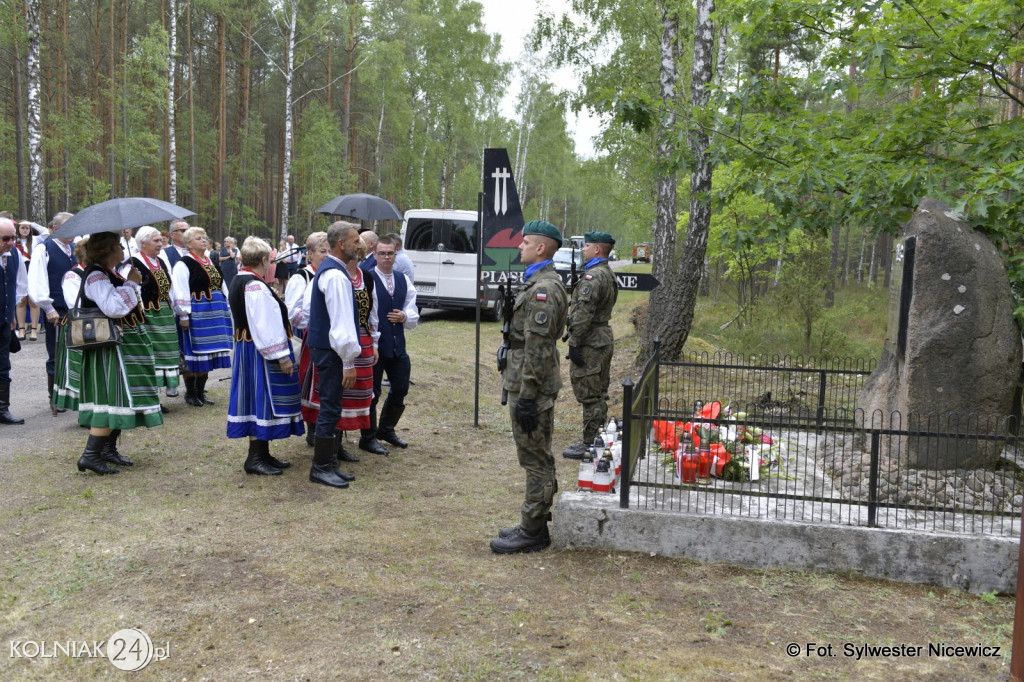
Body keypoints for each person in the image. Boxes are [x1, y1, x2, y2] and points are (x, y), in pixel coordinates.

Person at [490, 220, 568, 554]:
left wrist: (529, 394)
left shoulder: (544, 288)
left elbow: (538, 345)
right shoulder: (537, 282)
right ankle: (534, 522)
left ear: (541, 248)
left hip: (530, 383)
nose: (518, 247)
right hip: (524, 378)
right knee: (536, 454)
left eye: (524, 243)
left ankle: (533, 529)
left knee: (534, 456)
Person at [73, 232, 162, 475]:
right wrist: (131, 284)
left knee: (119, 397)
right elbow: (113, 308)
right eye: (118, 246)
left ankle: (107, 450)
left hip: (121, 344)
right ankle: (90, 455)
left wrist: (128, 282)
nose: (123, 249)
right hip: (109, 346)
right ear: (107, 250)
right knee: (110, 397)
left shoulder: (108, 272)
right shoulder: (96, 275)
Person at [227, 236, 304, 475]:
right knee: (260, 400)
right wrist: (282, 356)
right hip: (259, 352)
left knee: (258, 401)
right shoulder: (254, 286)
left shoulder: (241, 279)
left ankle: (263, 453)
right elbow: (264, 325)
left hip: (250, 348)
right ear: (263, 260)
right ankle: (255, 457)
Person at [305, 221, 363, 488]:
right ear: (342, 244)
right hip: (332, 352)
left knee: (332, 405)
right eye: (355, 240)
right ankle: (321, 467)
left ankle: (328, 464)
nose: (359, 245)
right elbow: (341, 324)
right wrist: (348, 361)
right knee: (329, 407)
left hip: (327, 350)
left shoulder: (331, 271)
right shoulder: (336, 276)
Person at [562, 231, 620, 459]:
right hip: (602, 337)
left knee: (590, 392)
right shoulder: (607, 273)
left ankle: (590, 443)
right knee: (598, 390)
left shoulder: (593, 277)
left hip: (591, 341)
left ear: (597, 249)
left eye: (587, 246)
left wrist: (574, 342)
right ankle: (597, 435)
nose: (584, 249)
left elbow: (583, 313)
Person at [366, 234, 418, 450]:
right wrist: (373, 343)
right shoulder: (367, 278)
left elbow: (412, 306)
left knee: (401, 387)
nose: (386, 257)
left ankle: (386, 429)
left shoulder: (402, 278)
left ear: (396, 254)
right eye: (382, 253)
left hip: (397, 344)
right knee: (373, 393)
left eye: (390, 253)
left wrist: (405, 316)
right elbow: (369, 314)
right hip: (375, 346)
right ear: (375, 255)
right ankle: (367, 437)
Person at [170, 226, 233, 407]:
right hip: (198, 312)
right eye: (198, 238)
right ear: (189, 244)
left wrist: (227, 303)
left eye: (204, 237)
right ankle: (190, 393)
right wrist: (183, 314)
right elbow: (179, 289)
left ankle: (200, 392)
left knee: (209, 353)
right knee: (194, 351)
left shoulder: (209, 261)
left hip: (215, 312)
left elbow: (221, 284)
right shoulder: (184, 263)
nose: (203, 240)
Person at [27, 211, 75, 415]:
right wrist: (48, 308)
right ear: (55, 229)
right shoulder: (43, 249)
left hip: (75, 308)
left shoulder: (75, 249)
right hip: (56, 308)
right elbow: (37, 280)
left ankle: (72, 394)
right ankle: (54, 397)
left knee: (75, 352)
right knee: (55, 355)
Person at [287, 231, 329, 444]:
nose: (327, 255)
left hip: (329, 338)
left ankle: (328, 429)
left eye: (330, 251)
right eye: (323, 251)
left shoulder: (332, 273)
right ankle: (313, 428)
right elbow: (293, 313)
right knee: (312, 383)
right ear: (309, 254)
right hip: (310, 337)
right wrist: (316, 319)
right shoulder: (301, 277)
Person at [131, 227, 182, 403]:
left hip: (165, 312)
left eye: (161, 240)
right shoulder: (134, 262)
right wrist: (139, 313)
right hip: (147, 314)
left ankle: (169, 387)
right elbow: (133, 290)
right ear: (143, 243)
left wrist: (177, 309)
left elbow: (171, 286)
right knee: (150, 353)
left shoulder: (160, 260)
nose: (160, 244)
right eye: (156, 241)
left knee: (168, 352)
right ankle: (151, 395)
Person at [52, 239, 89, 412]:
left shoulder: (100, 272)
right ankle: (84, 409)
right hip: (79, 325)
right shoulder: (73, 275)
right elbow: (76, 305)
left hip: (97, 325)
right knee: (79, 367)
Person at [0, 217, 28, 425]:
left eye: (13, 238)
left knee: (3, 365)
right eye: (5, 239)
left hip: (4, 320)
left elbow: (19, 286)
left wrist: (11, 315)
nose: (10, 242)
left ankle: (2, 409)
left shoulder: (15, 254)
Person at [14, 221, 41, 341]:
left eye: (27, 228)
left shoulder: (36, 240)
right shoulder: (13, 241)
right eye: (22, 227)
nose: (24, 230)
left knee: (33, 300)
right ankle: (21, 329)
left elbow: (46, 232)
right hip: (19, 269)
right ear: (17, 229)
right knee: (21, 300)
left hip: (32, 269)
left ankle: (34, 330)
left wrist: (32, 223)